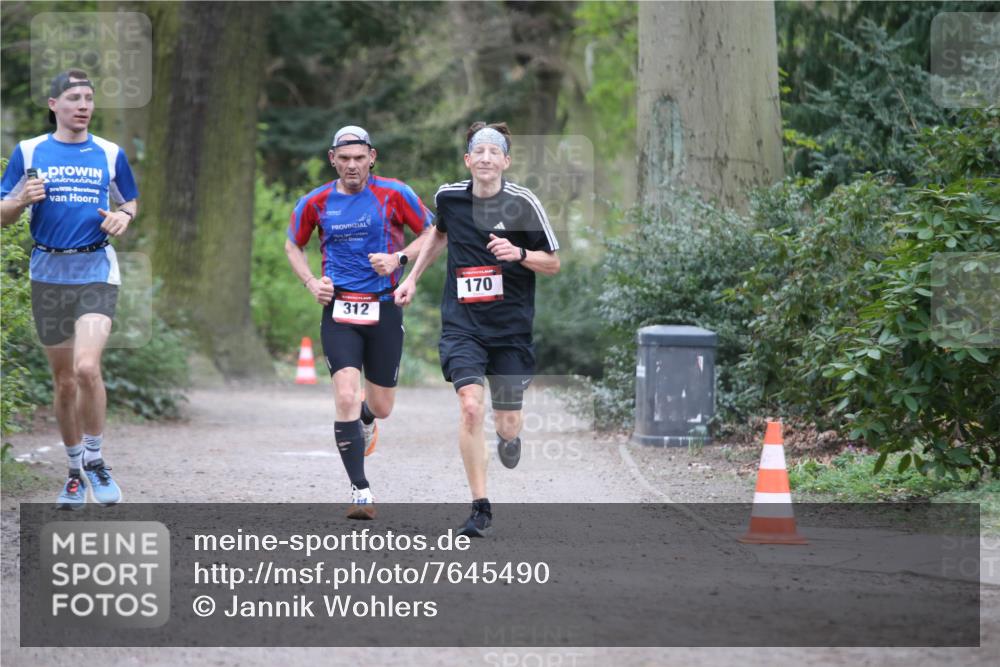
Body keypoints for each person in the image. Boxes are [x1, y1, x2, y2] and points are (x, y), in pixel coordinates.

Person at [395, 121, 560, 537]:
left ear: (506, 160)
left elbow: (553, 263)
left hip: (510, 330)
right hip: (463, 325)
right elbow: (438, 235)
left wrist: (519, 252)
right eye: (478, 151)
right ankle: (480, 507)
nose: (486, 158)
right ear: (468, 160)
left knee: (507, 422)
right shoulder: (449, 198)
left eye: (494, 151)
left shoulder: (523, 204)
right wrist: (411, 277)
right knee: (470, 406)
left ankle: (509, 439)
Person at [1, 69, 139, 510]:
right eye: (74, 97)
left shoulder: (110, 153)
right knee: (63, 384)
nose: (83, 105)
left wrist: (125, 217)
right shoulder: (28, 152)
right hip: (48, 273)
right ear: (53, 104)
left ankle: (97, 462)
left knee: (85, 368)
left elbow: (129, 199)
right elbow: (2, 211)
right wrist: (20, 201)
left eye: (89, 98)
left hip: (96, 270)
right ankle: (75, 471)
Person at [285, 125, 432, 519]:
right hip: (340, 310)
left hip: (383, 307)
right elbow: (292, 244)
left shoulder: (394, 193)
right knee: (346, 394)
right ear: (332, 159)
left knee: (380, 406)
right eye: (344, 158)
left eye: (358, 158)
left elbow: (434, 232)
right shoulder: (315, 202)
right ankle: (360, 490)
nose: (352, 165)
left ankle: (368, 419)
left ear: (372, 157)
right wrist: (311, 281)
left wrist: (400, 260)